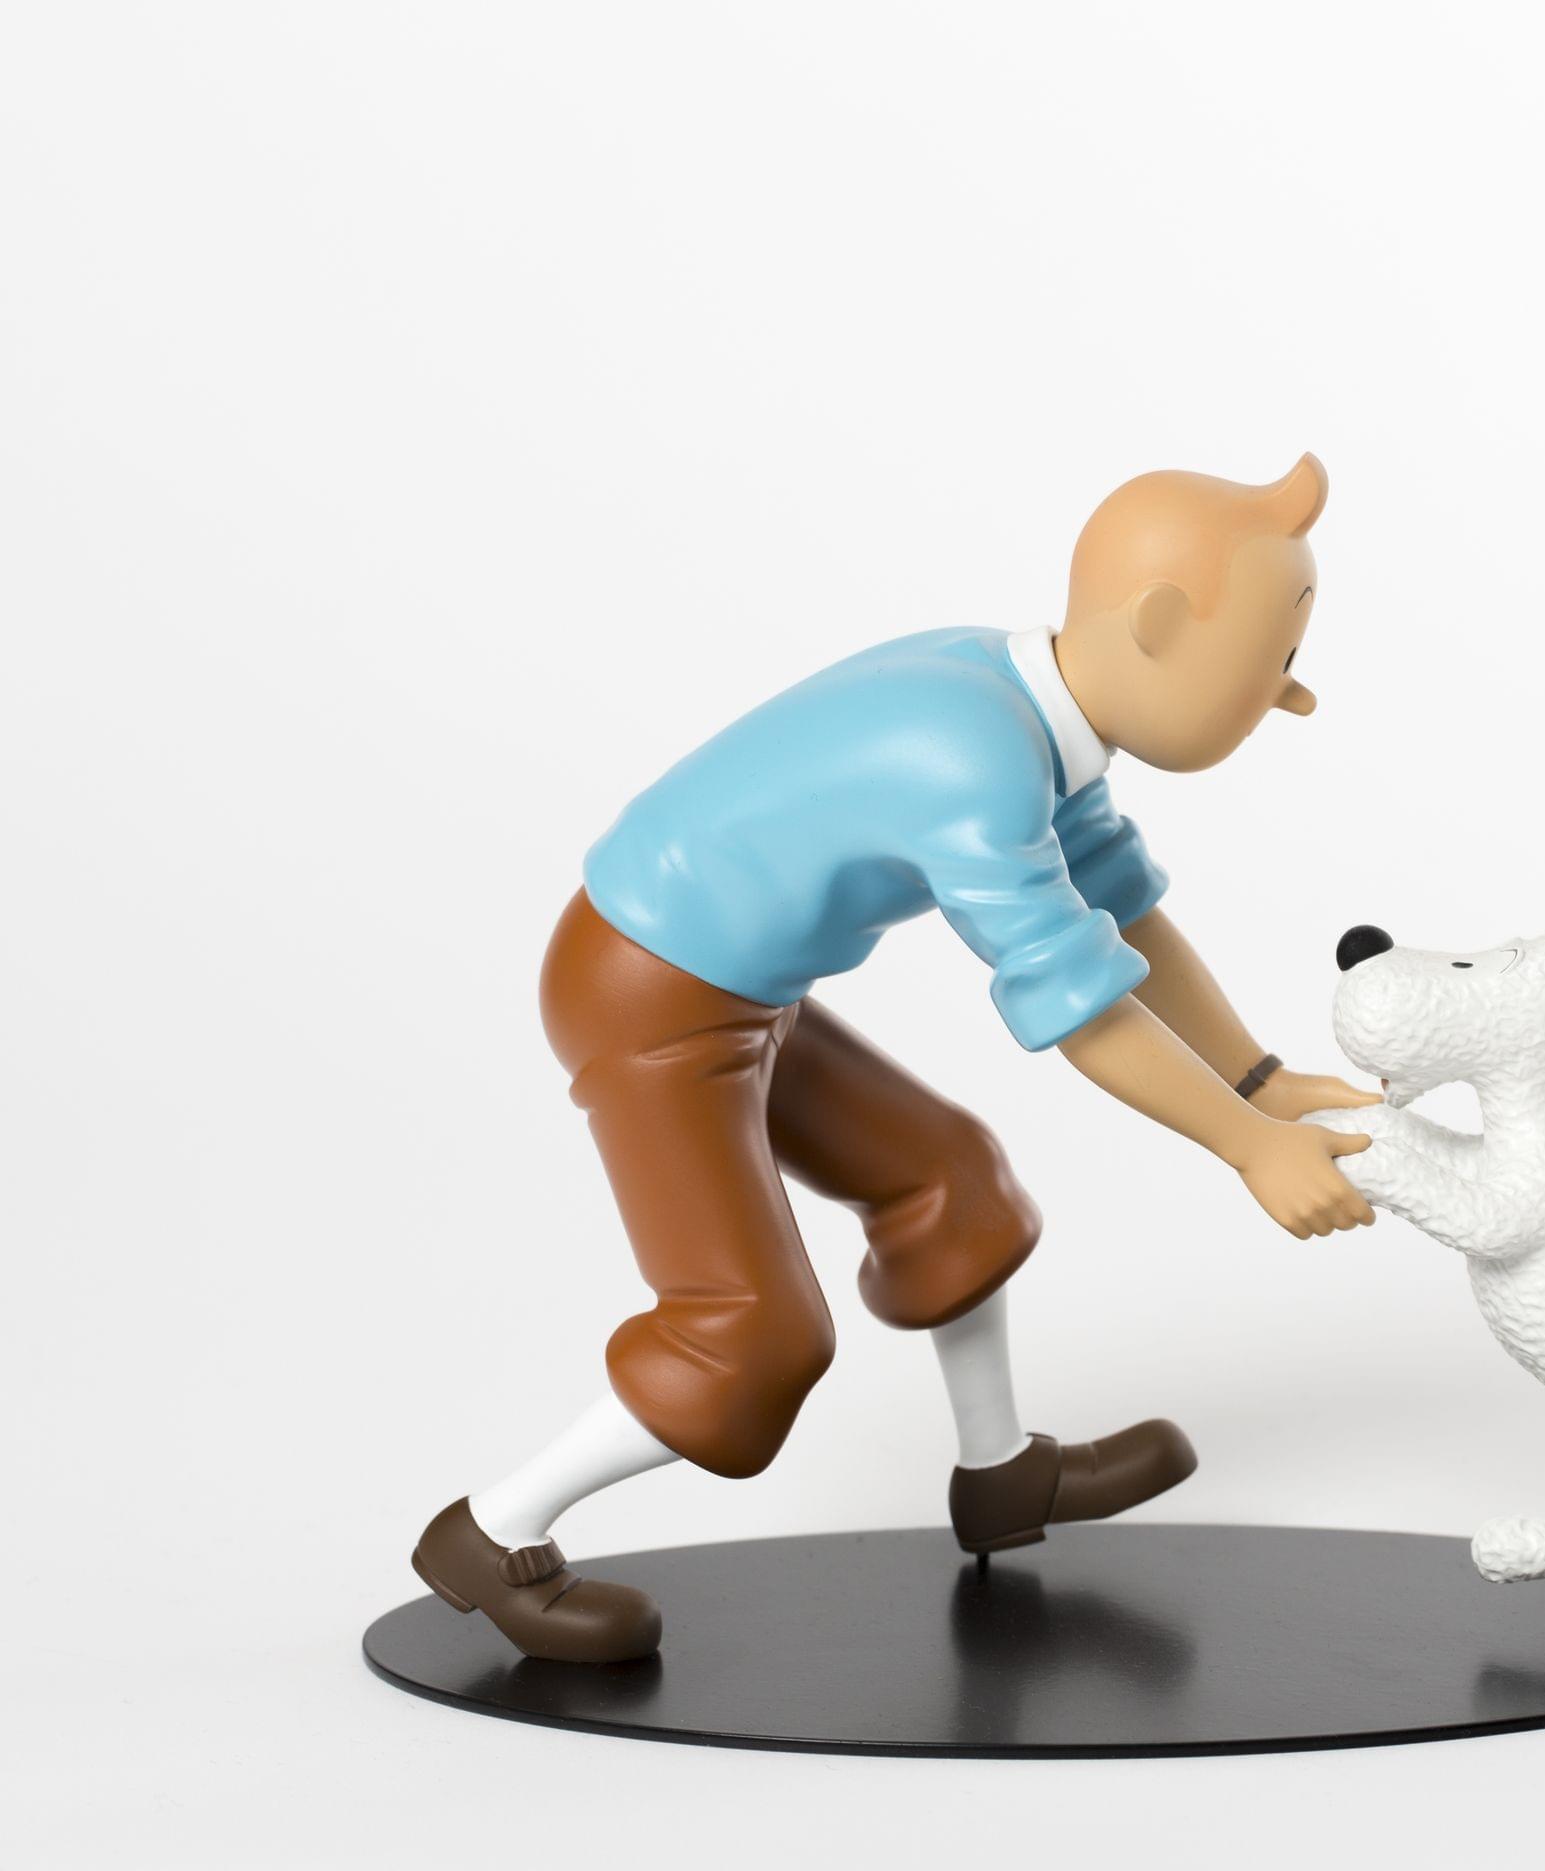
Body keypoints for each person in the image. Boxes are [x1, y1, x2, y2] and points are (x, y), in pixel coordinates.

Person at [409, 455, 1380, 1661]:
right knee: (751, 1332)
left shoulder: (1029, 710)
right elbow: (1079, 1005)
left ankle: (1000, 1472)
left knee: (951, 1183)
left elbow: (1117, 908)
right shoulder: (971, 757)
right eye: (1268, 662)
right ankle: (492, 1531)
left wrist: (1254, 1081)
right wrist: (1248, 1147)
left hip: (737, 985)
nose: (1288, 697)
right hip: (644, 987)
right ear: (1162, 624)